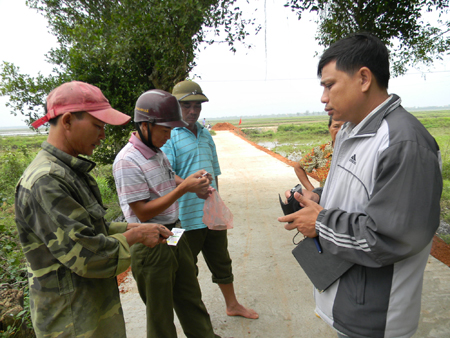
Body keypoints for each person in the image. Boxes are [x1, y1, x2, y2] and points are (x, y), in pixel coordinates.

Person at [278, 33, 442, 338]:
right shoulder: (352, 131)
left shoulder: (403, 143)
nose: (323, 98)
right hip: (347, 297)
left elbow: (392, 237)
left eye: (329, 85)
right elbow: (355, 189)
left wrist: (321, 223)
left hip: (376, 318)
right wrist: (318, 196)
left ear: (363, 78)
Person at [14, 81, 173, 338]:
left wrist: (132, 227)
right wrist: (136, 236)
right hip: (72, 320)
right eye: (98, 126)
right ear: (67, 121)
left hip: (91, 308)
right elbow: (88, 256)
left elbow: (90, 227)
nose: (103, 135)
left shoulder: (70, 171)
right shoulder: (46, 180)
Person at [113, 89, 220, 338]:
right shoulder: (128, 161)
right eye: (164, 130)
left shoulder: (157, 152)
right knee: (160, 313)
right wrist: (184, 189)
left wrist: (188, 181)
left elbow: (168, 178)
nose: (168, 135)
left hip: (175, 232)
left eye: (172, 129)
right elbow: (142, 212)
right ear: (144, 125)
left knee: (190, 295)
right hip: (151, 242)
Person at [161, 80, 259, 319]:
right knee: (184, 270)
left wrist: (219, 203)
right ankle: (193, 318)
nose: (193, 111)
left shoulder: (206, 135)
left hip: (211, 215)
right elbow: (164, 174)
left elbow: (214, 174)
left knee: (222, 261)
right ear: (175, 106)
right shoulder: (169, 136)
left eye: (197, 106)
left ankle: (232, 304)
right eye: (187, 106)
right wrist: (189, 187)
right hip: (182, 219)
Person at [294, 117, 344, 190]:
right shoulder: (319, 151)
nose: (340, 131)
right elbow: (298, 168)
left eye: (344, 127)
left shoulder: (357, 150)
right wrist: (313, 191)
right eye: (336, 126)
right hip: (326, 200)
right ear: (329, 128)